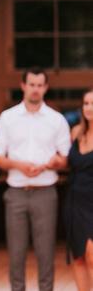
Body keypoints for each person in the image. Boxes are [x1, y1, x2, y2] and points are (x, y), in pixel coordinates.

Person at [0, 67, 71, 291]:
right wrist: (20, 165)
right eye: (32, 84)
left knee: (46, 252)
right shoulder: (8, 118)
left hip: (46, 192)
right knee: (16, 253)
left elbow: (65, 158)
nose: (35, 89)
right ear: (23, 86)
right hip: (16, 192)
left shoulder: (57, 120)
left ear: (45, 87)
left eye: (40, 85)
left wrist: (49, 164)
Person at [65, 89, 93, 291]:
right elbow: (67, 162)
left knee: (92, 255)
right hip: (74, 202)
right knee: (78, 257)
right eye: (86, 103)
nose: (89, 108)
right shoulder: (76, 132)